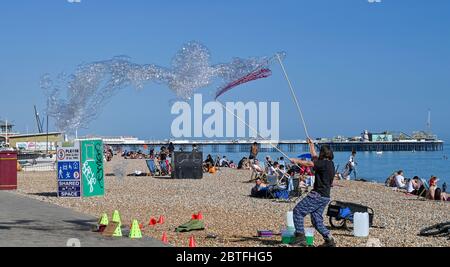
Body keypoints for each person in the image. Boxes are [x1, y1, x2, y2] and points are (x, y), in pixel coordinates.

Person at [289, 138, 336, 247]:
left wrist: (296, 161)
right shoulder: (330, 164)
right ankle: (329, 240)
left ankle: (300, 237)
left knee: (298, 211)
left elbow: (309, 163)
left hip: (317, 195)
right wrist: (311, 145)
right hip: (325, 197)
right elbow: (314, 158)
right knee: (316, 220)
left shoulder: (323, 164)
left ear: (323, 153)